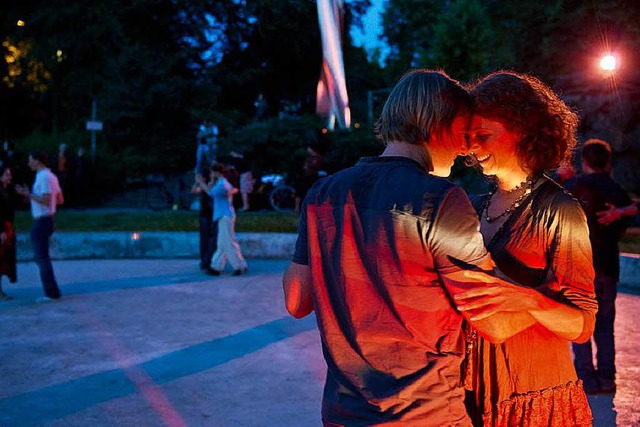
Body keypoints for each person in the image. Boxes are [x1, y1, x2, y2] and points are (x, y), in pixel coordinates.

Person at [282, 69, 532, 426]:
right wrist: (544, 299)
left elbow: (296, 302)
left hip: (343, 411)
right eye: (462, 133)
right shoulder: (441, 199)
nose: (466, 149)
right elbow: (494, 322)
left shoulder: (323, 194)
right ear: (435, 124)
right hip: (425, 411)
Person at [461, 71, 598, 426]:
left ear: (522, 129)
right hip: (475, 394)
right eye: (469, 137)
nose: (472, 148)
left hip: (533, 393)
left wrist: (531, 300)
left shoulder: (560, 210)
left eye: (483, 135)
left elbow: (582, 324)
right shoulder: (476, 205)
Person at [563, 138, 633, 394]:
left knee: (581, 324)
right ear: (608, 162)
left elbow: (546, 201)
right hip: (607, 266)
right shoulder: (617, 191)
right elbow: (626, 221)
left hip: (579, 267)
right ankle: (607, 378)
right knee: (605, 325)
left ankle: (586, 379)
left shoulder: (572, 187)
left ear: (585, 162)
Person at [15, 150, 64, 302]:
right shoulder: (52, 176)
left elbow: (46, 200)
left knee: (42, 258)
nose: (28, 163)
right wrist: (32, 197)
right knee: (42, 257)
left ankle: (50, 292)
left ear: (38, 161)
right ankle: (52, 290)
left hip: (42, 221)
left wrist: (28, 194)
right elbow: (60, 199)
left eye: (30, 160)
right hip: (48, 219)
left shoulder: (43, 177)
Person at [196, 163, 247, 276]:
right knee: (223, 243)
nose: (210, 174)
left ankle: (239, 266)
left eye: (212, 172)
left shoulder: (222, 183)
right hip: (224, 216)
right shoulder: (221, 182)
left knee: (228, 242)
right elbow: (211, 189)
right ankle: (216, 266)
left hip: (225, 216)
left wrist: (200, 182)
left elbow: (210, 193)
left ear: (216, 172)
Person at [192, 166, 218, 275]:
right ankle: (204, 260)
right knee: (204, 239)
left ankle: (209, 261)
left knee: (211, 239)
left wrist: (201, 182)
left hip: (212, 214)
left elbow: (209, 191)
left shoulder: (212, 183)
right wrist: (197, 183)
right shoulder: (202, 184)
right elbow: (194, 190)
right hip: (204, 214)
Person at [0, 165, 18, 300]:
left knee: (4, 259)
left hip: (8, 228)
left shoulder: (7, 191)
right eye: (7, 174)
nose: (9, 176)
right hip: (3, 229)